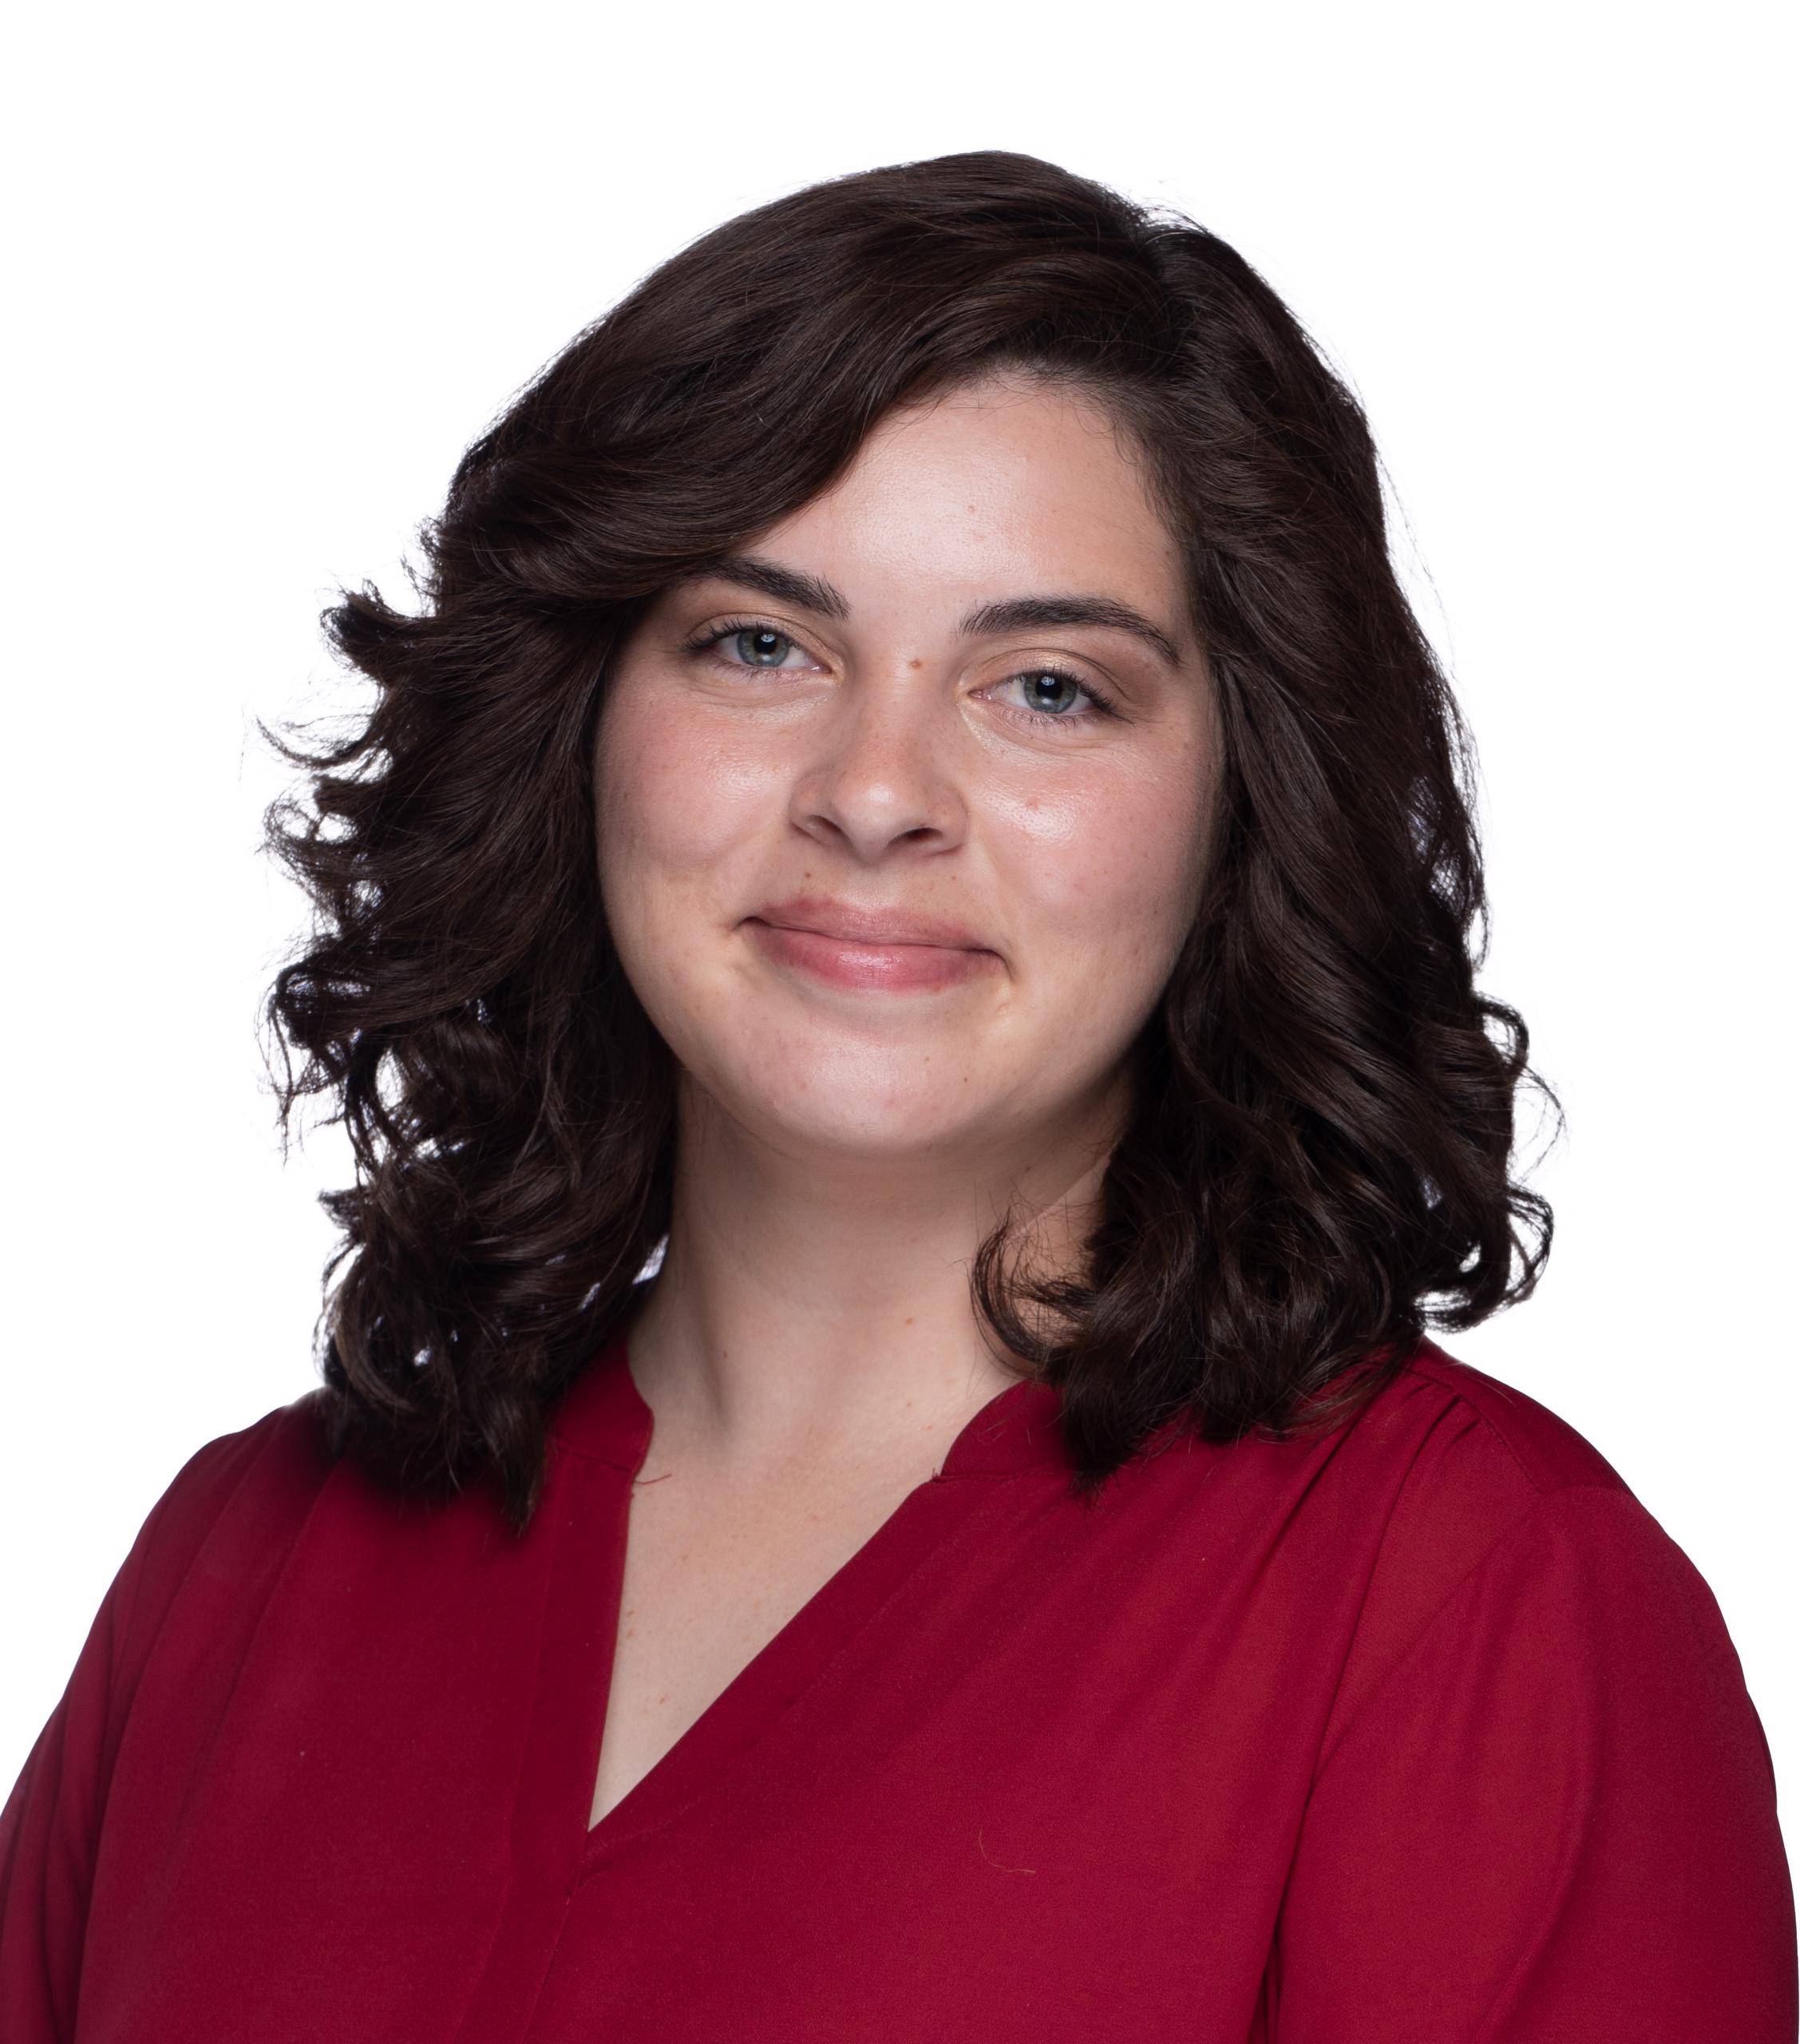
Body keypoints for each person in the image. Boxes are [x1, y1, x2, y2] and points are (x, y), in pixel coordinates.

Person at [2, 149, 1792, 2041]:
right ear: (582, 718)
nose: (876, 788)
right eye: (759, 643)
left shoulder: (1476, 1605)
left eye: (1049, 687)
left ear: (1243, 799)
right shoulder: (240, 1565)